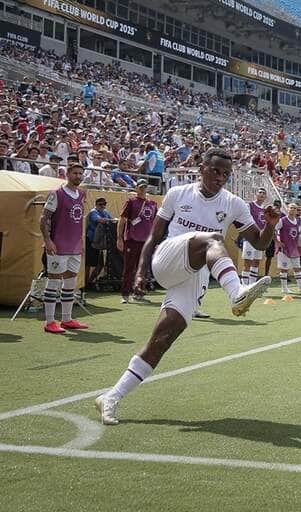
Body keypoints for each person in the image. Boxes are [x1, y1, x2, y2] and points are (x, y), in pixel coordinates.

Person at [94, 149, 279, 425]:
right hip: (168, 258)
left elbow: (260, 243)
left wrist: (270, 225)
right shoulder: (177, 194)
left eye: (226, 174)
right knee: (213, 239)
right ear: (201, 167)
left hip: (194, 274)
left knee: (161, 341)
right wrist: (140, 273)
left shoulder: (235, 203)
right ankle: (237, 293)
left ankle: (111, 397)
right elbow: (153, 236)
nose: (220, 178)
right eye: (216, 171)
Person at [39, 161, 89, 334]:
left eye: (80, 174)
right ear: (67, 174)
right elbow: (44, 219)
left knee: (70, 282)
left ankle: (67, 319)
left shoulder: (82, 194)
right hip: (58, 245)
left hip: (74, 246)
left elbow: (78, 220)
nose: (78, 176)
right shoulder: (57, 194)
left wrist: (80, 242)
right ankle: (49, 321)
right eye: (75, 173)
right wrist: (48, 240)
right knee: (53, 281)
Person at [116, 180, 157, 304]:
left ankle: (139, 293)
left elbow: (155, 223)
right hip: (132, 239)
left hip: (146, 241)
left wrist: (155, 240)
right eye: (141, 187)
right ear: (136, 188)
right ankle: (125, 294)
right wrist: (119, 238)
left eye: (145, 187)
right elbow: (122, 220)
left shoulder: (153, 204)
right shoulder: (131, 202)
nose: (143, 189)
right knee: (129, 268)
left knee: (143, 268)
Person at [275, 203, 301, 296]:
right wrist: (277, 242)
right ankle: (284, 288)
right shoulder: (282, 220)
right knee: (284, 269)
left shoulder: (298, 221)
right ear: (288, 209)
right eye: (291, 208)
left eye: (295, 208)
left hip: (294, 248)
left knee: (297, 268)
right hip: (284, 249)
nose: (293, 209)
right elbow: (274, 230)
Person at [241, 188, 268, 285]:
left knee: (256, 262)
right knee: (247, 262)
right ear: (256, 194)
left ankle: (252, 285)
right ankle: (244, 286)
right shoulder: (250, 205)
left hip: (260, 240)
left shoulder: (265, 210)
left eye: (264, 193)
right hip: (250, 238)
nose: (262, 194)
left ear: (265, 197)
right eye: (260, 192)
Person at [85, 197, 113, 286]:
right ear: (96, 205)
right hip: (91, 241)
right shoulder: (93, 212)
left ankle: (89, 282)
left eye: (104, 204)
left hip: (99, 242)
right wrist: (110, 220)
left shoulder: (105, 212)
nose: (103, 206)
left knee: (100, 265)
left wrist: (110, 220)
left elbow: (112, 220)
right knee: (88, 264)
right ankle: (85, 284)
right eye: (100, 204)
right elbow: (100, 220)